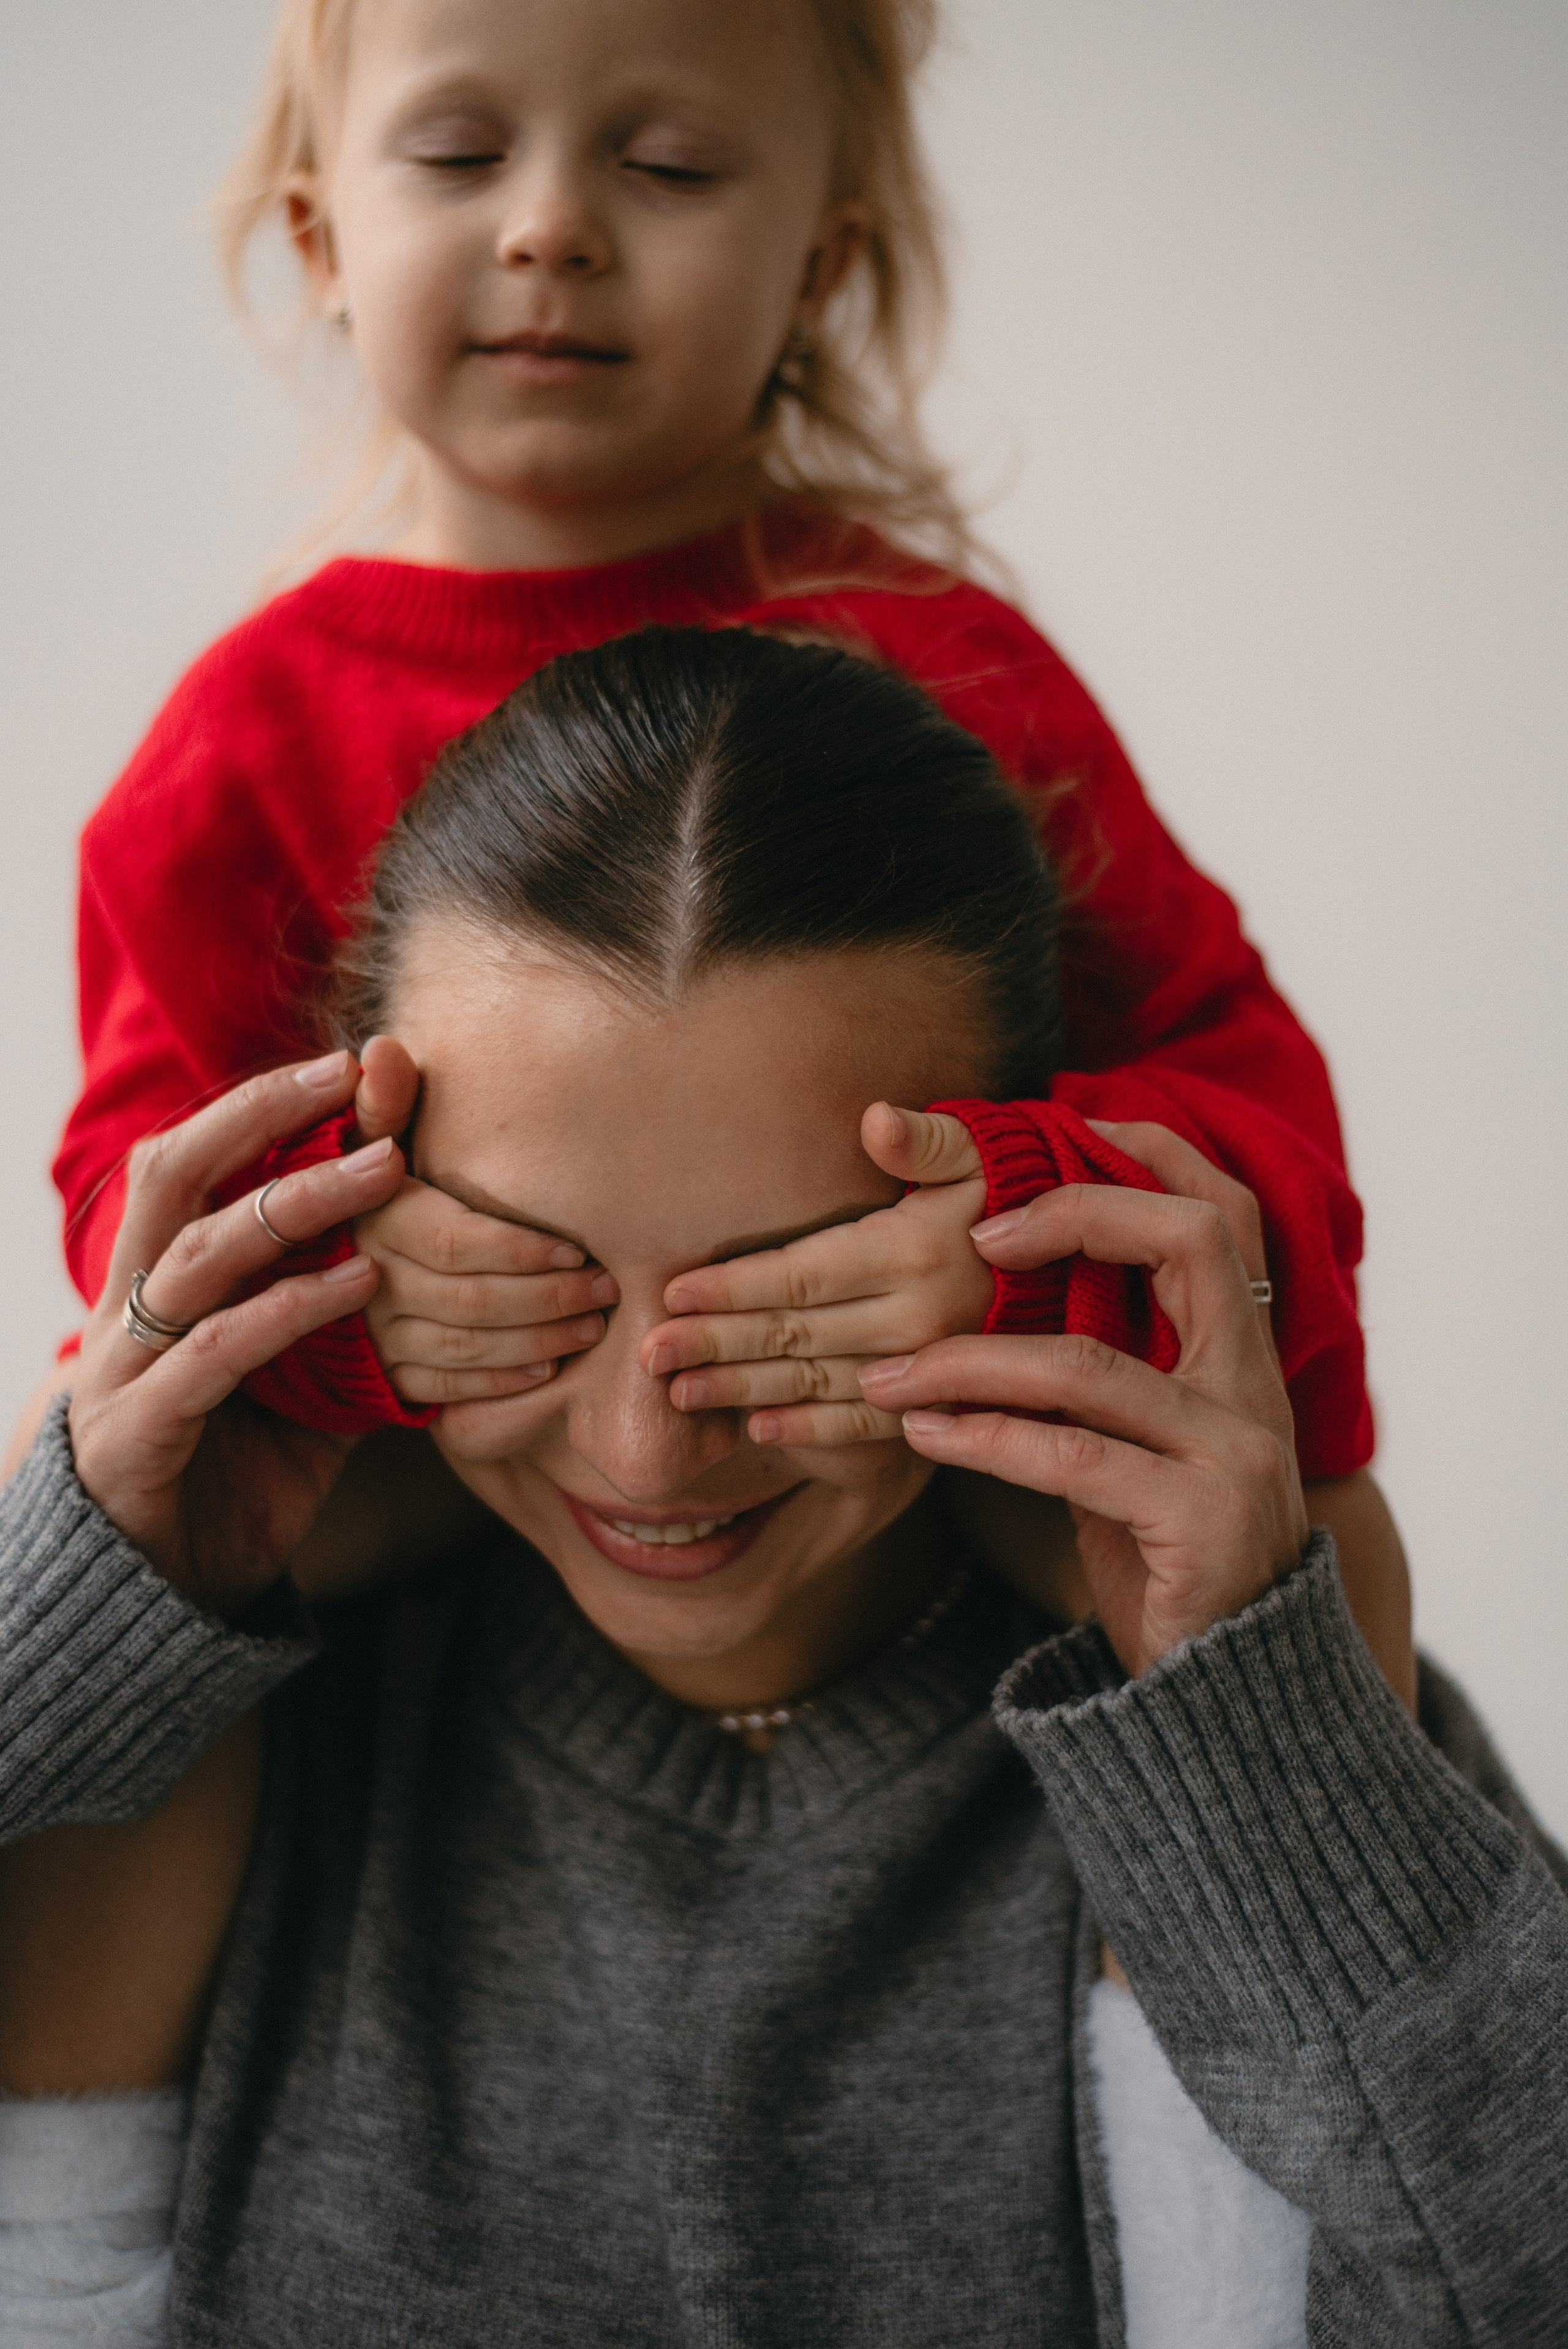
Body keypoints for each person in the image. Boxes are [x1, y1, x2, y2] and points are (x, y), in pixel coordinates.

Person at [1, 632, 1561, 2345]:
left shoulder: (1292, 1767)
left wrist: (1252, 1750)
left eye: (793, 1306)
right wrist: (53, 1637)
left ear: (1027, 1231)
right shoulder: (186, 1748)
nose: (643, 1452)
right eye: (517, 1288)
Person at [42, 0, 1378, 1519]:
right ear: (318, 237)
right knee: (79, 1467)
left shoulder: (953, 668)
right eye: (461, 154)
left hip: (862, 1486)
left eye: (668, 166)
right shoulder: (240, 737)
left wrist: (1020, 1234)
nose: (549, 228)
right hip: (424, 1485)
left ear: (817, 267)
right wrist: (334, 1266)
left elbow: (1256, 1118)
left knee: (1318, 1513)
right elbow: (130, 1177)